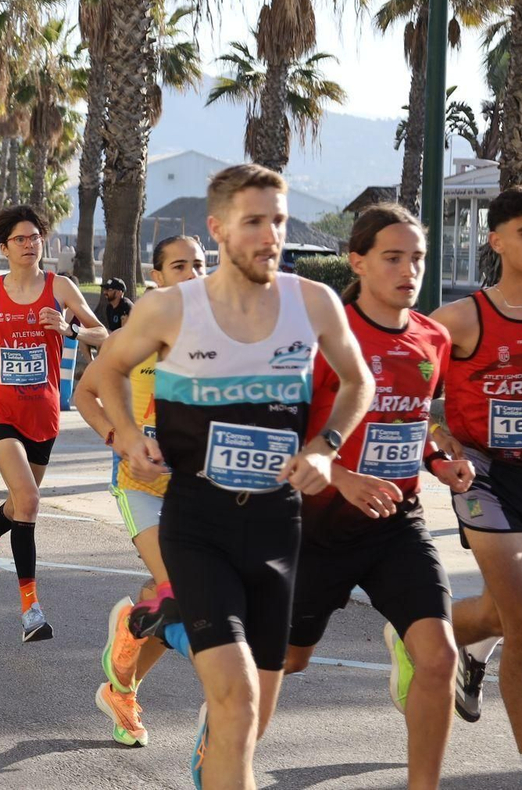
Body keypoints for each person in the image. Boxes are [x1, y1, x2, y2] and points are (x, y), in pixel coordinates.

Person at [92, 164, 374, 790]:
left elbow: (359, 381)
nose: (270, 235)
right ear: (218, 228)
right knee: (237, 699)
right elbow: (107, 371)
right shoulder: (171, 308)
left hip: (276, 528)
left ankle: (170, 652)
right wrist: (128, 436)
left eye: (278, 220)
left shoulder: (313, 302)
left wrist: (325, 447)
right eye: (254, 222)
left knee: (249, 722)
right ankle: (160, 620)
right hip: (199, 525)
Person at [267, 203, 475, 790]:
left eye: (418, 258)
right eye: (393, 258)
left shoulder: (433, 337)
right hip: (315, 530)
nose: (409, 271)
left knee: (440, 658)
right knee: (288, 660)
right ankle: (224, 732)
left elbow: (411, 424)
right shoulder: (323, 338)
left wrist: (439, 462)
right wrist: (340, 476)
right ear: (357, 261)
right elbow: (278, 434)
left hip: (397, 525)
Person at [430, 184, 522, 790]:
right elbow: (404, 392)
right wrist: (438, 436)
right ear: (495, 241)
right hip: (484, 477)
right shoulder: (461, 319)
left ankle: (418, 634)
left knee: (507, 615)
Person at [75, 234, 209, 748]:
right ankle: (223, 706)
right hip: (141, 487)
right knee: (181, 589)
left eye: (200, 265)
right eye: (180, 266)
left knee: (163, 598)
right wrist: (121, 439)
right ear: (156, 277)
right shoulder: (132, 337)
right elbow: (86, 393)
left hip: (196, 492)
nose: (192, 275)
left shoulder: (220, 342)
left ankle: (121, 688)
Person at [0, 205, 108, 642]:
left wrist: (69, 330)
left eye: (35, 237)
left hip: (44, 415)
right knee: (28, 498)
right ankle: (30, 610)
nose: (29, 245)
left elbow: (104, 334)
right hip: (1, 412)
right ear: (4, 248)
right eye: (20, 239)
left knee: (23, 503)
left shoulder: (60, 288)